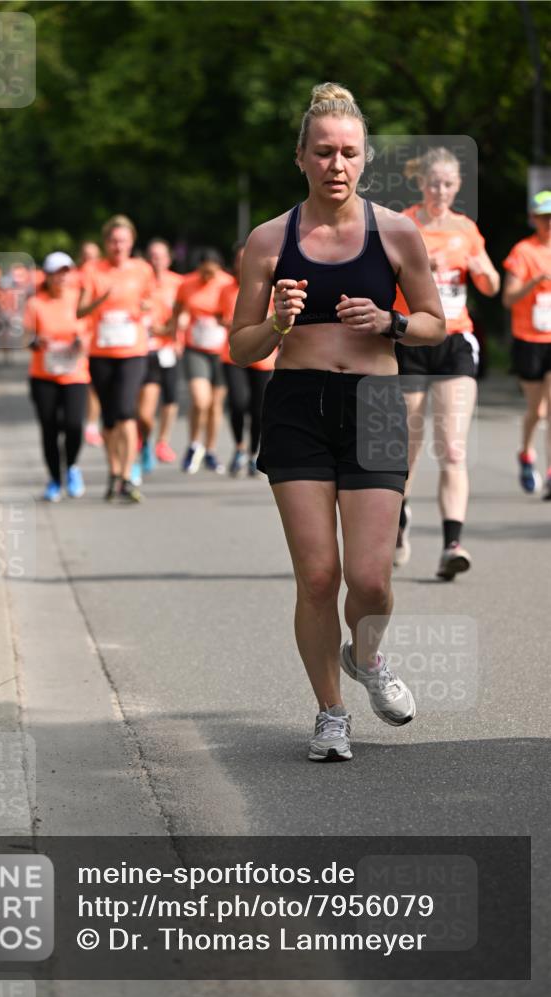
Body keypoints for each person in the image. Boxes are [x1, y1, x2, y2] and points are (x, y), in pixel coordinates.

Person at [230, 82, 445, 762]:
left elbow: (437, 324)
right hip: (296, 407)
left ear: (365, 158)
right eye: (322, 152)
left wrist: (390, 321)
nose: (336, 164)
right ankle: (330, 713)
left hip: (376, 407)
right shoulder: (268, 241)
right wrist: (276, 322)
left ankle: (370, 657)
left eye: (348, 152)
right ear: (299, 157)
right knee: (319, 577)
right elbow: (239, 346)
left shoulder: (396, 232)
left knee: (372, 578)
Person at [392, 148, 500, 577]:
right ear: (421, 183)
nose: (440, 191)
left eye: (448, 184)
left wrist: (481, 270)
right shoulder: (403, 225)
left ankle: (452, 544)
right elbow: (381, 276)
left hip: (455, 340)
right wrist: (418, 267)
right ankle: (397, 523)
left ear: (457, 187)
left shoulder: (466, 229)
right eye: (433, 183)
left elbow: (490, 285)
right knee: (407, 450)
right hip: (412, 338)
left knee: (452, 447)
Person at [77, 215, 155, 503]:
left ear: (131, 242)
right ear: (105, 243)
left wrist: (146, 306)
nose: (118, 245)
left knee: (125, 411)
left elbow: (151, 300)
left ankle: (127, 474)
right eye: (112, 240)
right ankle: (114, 474)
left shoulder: (142, 269)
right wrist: (101, 300)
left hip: (132, 351)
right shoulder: (92, 270)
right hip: (101, 352)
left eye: (123, 240)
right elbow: (80, 310)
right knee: (109, 419)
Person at [24, 252, 90, 502]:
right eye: (56, 272)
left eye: (66, 272)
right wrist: (35, 341)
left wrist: (81, 343)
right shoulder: (35, 303)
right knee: (49, 428)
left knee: (74, 426)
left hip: (75, 374)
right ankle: (54, 479)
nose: (62, 277)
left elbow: (89, 331)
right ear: (47, 276)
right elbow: (25, 336)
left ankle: (71, 466)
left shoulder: (79, 300)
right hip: (44, 374)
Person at [502, 189, 551, 499]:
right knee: (538, 410)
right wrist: (535, 281)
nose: (549, 224)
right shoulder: (523, 251)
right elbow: (508, 299)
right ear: (533, 219)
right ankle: (526, 452)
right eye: (544, 218)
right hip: (529, 339)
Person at [171, 249, 234, 473]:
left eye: (212, 273)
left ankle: (210, 450)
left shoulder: (228, 284)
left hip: (223, 350)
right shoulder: (187, 284)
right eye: (204, 273)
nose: (208, 278)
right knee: (200, 400)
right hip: (195, 348)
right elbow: (177, 310)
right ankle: (194, 444)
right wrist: (174, 336)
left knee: (215, 404)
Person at [220, 243, 276, 476]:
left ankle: (253, 452)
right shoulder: (226, 289)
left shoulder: (270, 288)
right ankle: (239, 448)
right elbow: (214, 314)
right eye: (239, 260)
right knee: (237, 402)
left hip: (264, 357)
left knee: (257, 408)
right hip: (233, 355)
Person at [138, 239, 184, 471]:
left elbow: (186, 314)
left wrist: (177, 331)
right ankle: (144, 440)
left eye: (160, 256)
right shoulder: (139, 281)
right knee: (145, 411)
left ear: (168, 259)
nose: (156, 260)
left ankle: (162, 442)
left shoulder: (178, 283)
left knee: (171, 399)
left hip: (169, 348)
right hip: (144, 349)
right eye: (152, 256)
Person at [72, 242, 104, 447]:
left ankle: (92, 424)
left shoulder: (103, 276)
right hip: (77, 334)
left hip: (99, 336)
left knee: (95, 383)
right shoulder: (73, 277)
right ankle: (79, 420)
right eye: (85, 255)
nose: (88, 260)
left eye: (93, 256)